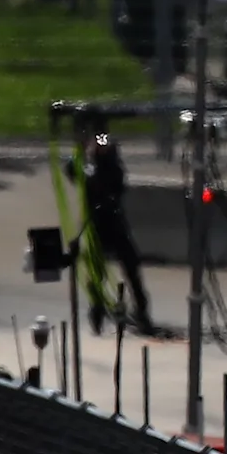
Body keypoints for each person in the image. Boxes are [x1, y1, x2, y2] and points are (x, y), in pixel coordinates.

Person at [82, 133, 156, 336]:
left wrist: (101, 149)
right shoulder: (89, 171)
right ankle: (97, 314)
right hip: (97, 226)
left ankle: (141, 312)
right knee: (98, 275)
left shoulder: (113, 171)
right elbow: (75, 171)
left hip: (114, 224)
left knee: (131, 268)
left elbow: (118, 183)